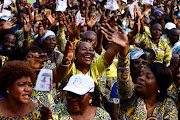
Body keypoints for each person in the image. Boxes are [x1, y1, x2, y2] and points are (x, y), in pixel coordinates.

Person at [101, 23, 178, 119]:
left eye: (148, 77)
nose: (141, 78)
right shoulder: (130, 94)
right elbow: (124, 80)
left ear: (159, 84)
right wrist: (124, 50)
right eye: (141, 75)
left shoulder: (168, 105)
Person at [43, 74, 111, 120]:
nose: (73, 99)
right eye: (70, 94)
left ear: (90, 96)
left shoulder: (102, 116)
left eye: (79, 96)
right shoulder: (55, 113)